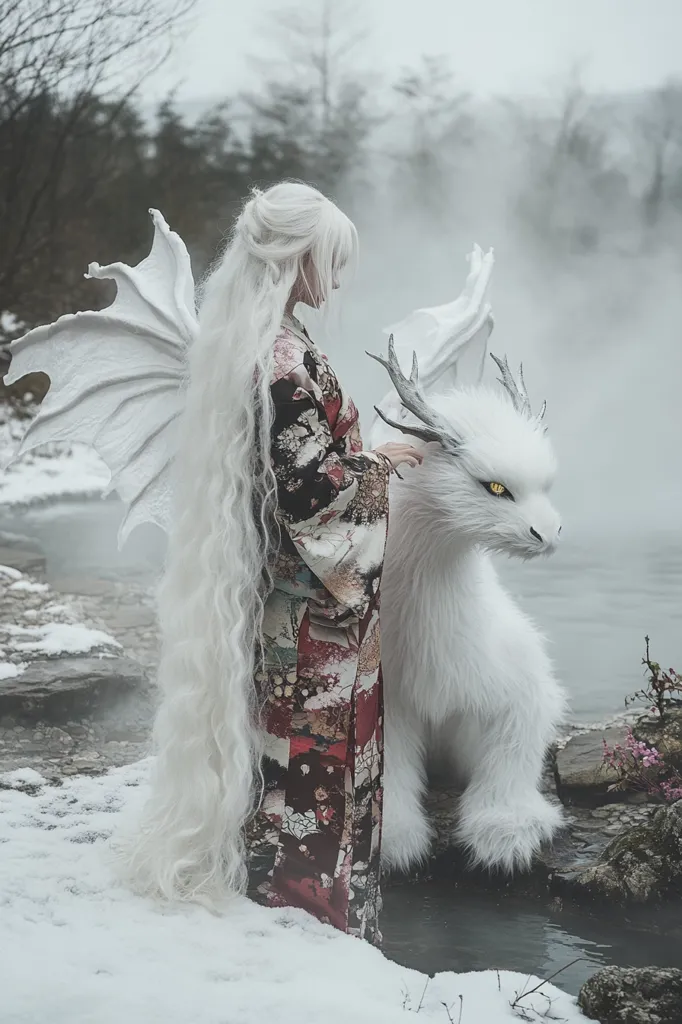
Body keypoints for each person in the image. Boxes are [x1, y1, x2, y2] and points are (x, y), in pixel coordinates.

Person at [123, 181, 422, 944]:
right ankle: (309, 923)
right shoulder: (284, 362)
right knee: (315, 762)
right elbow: (310, 493)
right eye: (333, 258)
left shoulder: (262, 342)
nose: (340, 275)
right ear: (298, 257)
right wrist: (382, 463)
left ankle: (294, 912)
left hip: (290, 601)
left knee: (290, 758)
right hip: (313, 611)